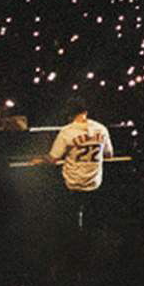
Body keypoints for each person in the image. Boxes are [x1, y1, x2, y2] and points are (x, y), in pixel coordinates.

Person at [44, 97, 114, 230]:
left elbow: (52, 159)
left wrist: (40, 159)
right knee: (91, 221)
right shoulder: (101, 129)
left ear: (69, 114)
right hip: (94, 185)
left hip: (73, 184)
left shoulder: (66, 132)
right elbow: (109, 154)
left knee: (70, 219)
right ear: (86, 111)